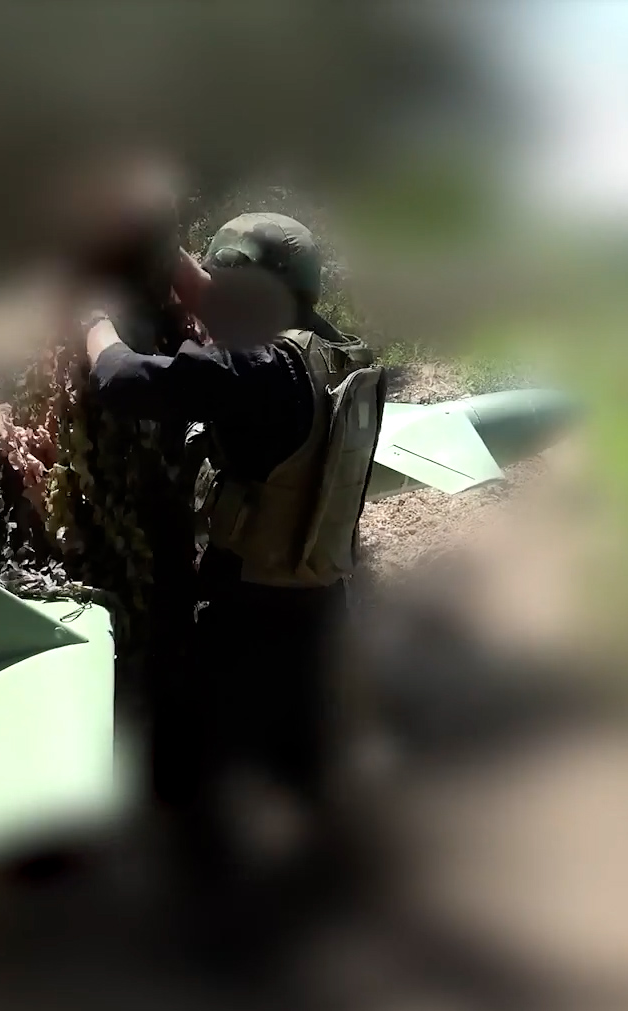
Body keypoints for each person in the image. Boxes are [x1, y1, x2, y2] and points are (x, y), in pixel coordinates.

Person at [83, 212, 383, 933]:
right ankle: (336, 890)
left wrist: (91, 323)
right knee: (305, 754)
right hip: (318, 598)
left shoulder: (254, 372)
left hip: (248, 609)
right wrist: (165, 253)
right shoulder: (333, 351)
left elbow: (121, 379)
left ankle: (219, 928)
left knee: (195, 768)